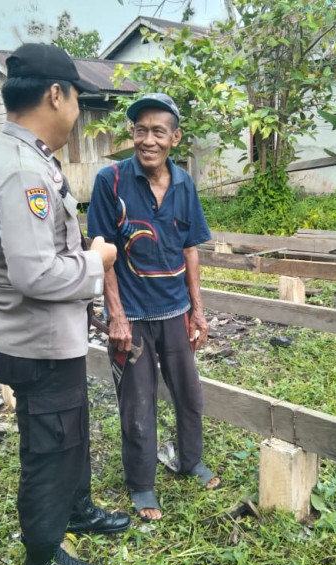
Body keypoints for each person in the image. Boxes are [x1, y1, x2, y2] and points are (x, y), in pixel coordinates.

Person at [0, 43, 130, 565]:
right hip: (35, 340)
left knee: (70, 430)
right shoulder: (22, 172)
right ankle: (44, 558)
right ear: (56, 94)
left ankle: (77, 507)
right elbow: (34, 275)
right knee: (49, 445)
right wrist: (98, 260)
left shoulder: (18, 155)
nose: (78, 110)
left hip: (48, 337)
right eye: (78, 96)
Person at [86, 93, 220, 523]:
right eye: (140, 130)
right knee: (138, 405)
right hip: (134, 319)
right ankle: (142, 484)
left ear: (174, 138)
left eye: (158, 131)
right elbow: (104, 252)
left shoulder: (184, 184)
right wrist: (116, 317)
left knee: (189, 395)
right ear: (131, 133)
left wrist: (198, 311)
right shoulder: (111, 182)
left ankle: (190, 460)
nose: (148, 140)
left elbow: (190, 248)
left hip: (175, 311)